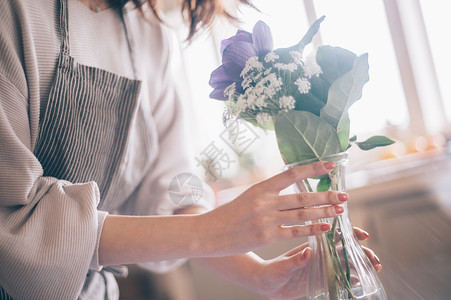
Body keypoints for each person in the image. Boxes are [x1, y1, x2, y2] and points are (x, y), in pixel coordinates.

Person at [0, 0, 381, 299]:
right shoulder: (13, 13)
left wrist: (258, 274)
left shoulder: (148, 35)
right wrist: (210, 229)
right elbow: (12, 221)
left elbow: (177, 185)